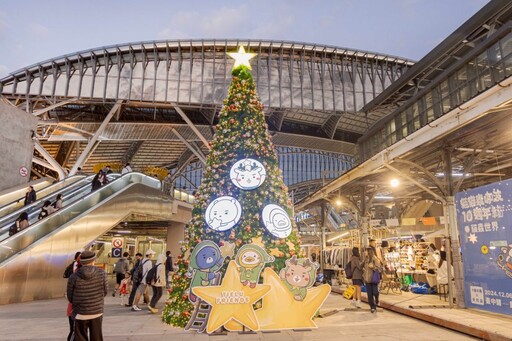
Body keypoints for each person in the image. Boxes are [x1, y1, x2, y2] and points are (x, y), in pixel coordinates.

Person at [66, 250, 107, 341]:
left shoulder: (73, 276)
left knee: (80, 337)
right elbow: (105, 291)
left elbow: (70, 296)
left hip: (80, 312)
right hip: (97, 311)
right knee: (97, 337)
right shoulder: (102, 273)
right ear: (93, 261)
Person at [66, 254, 82, 341]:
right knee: (75, 331)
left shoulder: (74, 275)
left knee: (74, 330)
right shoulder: (76, 276)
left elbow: (69, 294)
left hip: (74, 308)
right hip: (77, 309)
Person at [363, 247, 383, 313]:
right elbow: (362, 266)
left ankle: (377, 299)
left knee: (375, 292)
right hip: (367, 279)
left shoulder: (374, 258)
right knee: (369, 294)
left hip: (373, 279)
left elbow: (379, 268)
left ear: (369, 251)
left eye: (365, 251)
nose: (364, 252)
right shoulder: (365, 259)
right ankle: (372, 307)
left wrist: (373, 267)